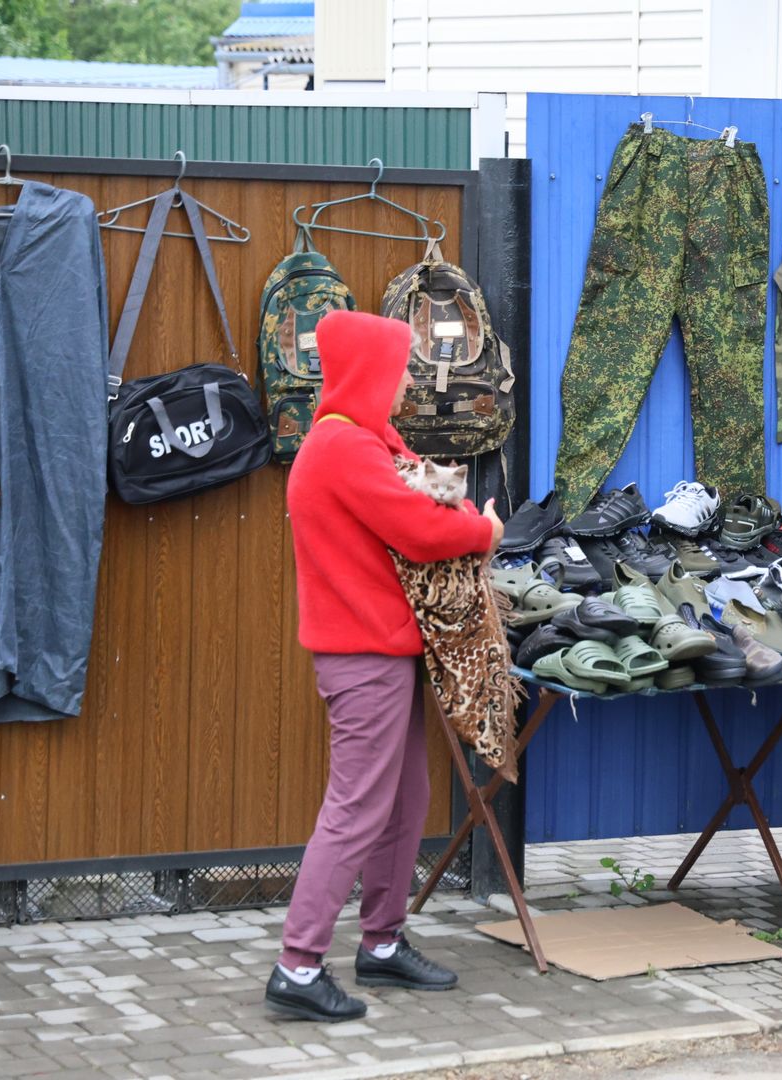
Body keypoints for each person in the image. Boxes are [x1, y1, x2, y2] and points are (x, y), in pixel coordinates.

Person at [265, 310, 503, 1023]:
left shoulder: (357, 442)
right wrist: (484, 529)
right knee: (356, 808)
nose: (405, 381)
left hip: (379, 652)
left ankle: (382, 941)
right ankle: (298, 964)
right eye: (398, 368)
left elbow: (410, 508)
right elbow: (422, 530)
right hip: (362, 656)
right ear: (371, 372)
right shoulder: (343, 449)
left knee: (403, 799)